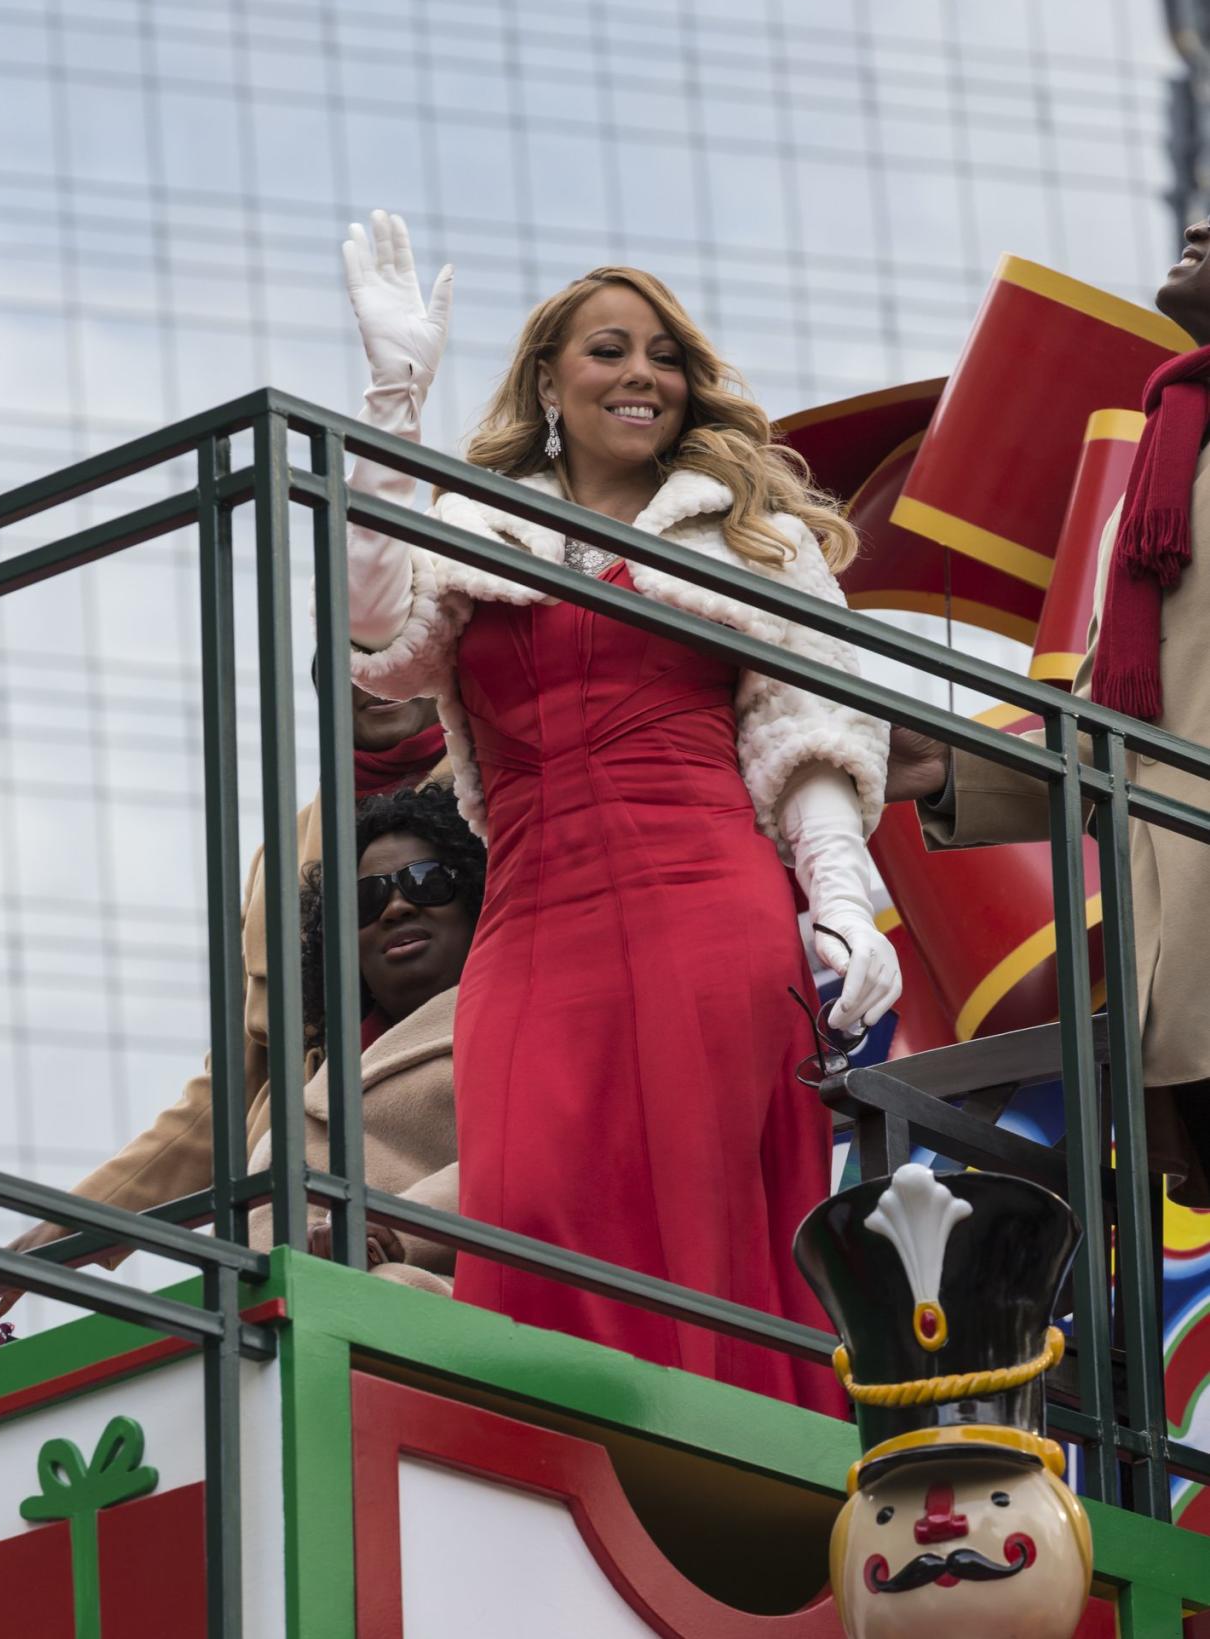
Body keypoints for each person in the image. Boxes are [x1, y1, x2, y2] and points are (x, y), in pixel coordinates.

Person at [336, 209, 900, 1405]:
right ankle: (559, 1474)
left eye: (664, 354)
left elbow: (812, 734)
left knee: (697, 1213)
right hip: (534, 922)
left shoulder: (753, 538)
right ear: (549, 377)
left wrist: (842, 894)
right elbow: (374, 634)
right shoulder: (472, 524)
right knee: (533, 1198)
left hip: (710, 905)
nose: (640, 373)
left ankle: (723, 1498)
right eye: (607, 348)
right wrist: (393, 405)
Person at [886, 214, 1210, 1205]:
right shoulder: (1160, 469)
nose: (1196, 223)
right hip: (1181, 979)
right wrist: (946, 767)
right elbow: (1125, 744)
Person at [0, 686, 449, 1319]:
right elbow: (234, 1085)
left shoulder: (512, 793)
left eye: (400, 646)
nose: (375, 678)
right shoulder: (285, 852)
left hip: (448, 1171)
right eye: (354, 653)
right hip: (291, 1208)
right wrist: (66, 1227)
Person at [249, 786, 485, 1295]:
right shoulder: (314, 1090)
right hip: (327, 1335)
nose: (396, 907)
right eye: (365, 899)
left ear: (475, 898)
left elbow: (529, 1163)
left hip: (477, 1326)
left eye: (425, 881)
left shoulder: (527, 1028)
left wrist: (390, 1231)